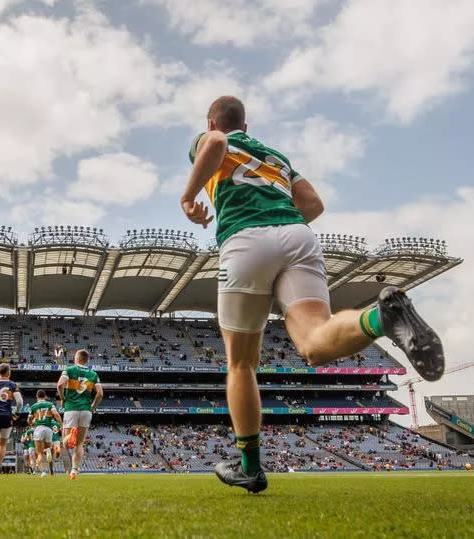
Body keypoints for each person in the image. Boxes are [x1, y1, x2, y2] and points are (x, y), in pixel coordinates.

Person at [181, 96, 445, 493]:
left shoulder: (211, 137)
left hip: (244, 238)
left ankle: (250, 467)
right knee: (313, 342)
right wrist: (279, 224)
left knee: (241, 364)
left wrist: (188, 197)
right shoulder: (277, 157)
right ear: (247, 126)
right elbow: (313, 204)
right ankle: (380, 317)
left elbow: (215, 145)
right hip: (298, 236)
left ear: (211, 120)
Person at [57, 349, 103, 480]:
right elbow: (100, 394)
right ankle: (74, 470)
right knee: (79, 444)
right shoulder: (93, 374)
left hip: (71, 408)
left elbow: (60, 384)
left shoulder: (69, 370)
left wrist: (62, 398)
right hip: (85, 409)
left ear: (76, 358)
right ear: (87, 360)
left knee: (66, 444)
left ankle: (72, 434)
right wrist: (93, 406)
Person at [29, 389, 62, 477]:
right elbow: (56, 415)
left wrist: (31, 423)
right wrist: (61, 424)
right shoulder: (50, 404)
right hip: (48, 429)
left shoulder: (33, 406)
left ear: (37, 396)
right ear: (45, 396)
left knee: (39, 453)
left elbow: (29, 420)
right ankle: (51, 471)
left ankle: (43, 471)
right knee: (49, 451)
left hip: (39, 428)